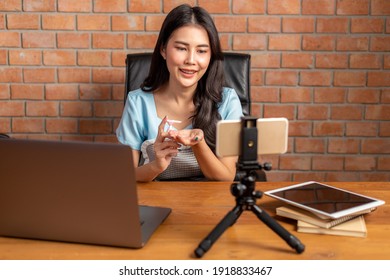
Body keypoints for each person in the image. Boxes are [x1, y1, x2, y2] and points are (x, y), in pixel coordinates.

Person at [116, 4, 243, 182]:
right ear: (163, 50)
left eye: (201, 51)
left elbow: (226, 176)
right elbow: (126, 176)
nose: (191, 60)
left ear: (210, 56)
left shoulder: (227, 101)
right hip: (156, 201)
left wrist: (198, 143)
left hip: (210, 203)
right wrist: (156, 166)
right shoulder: (137, 102)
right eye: (181, 48)